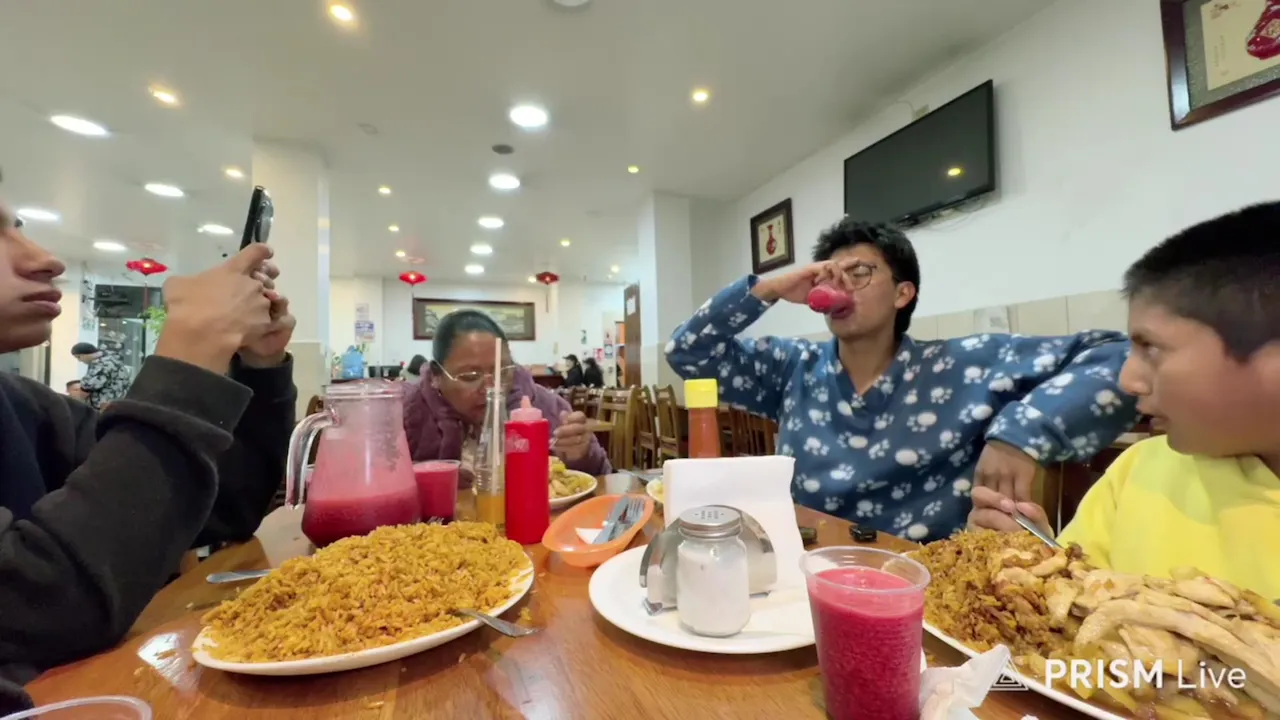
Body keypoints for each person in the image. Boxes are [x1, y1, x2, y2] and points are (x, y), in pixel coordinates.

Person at [0, 197, 297, 713]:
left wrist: (260, 366)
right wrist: (191, 352)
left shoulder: (23, 406)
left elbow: (224, 504)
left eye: (18, 227)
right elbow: (47, 605)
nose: (45, 259)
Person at [666, 218, 1136, 542]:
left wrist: (1021, 434)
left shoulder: (962, 365)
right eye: (829, 275)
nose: (839, 285)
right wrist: (770, 289)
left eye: (859, 272)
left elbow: (1120, 356)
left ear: (903, 293)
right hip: (808, 573)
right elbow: (687, 351)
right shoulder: (793, 367)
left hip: (923, 588)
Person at [969, 203, 1280, 598]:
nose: (1128, 381)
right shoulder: (1138, 469)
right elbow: (1081, 599)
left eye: (1151, 348)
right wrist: (1036, 565)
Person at [403, 311, 611, 483]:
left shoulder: (547, 408)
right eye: (470, 376)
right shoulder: (408, 416)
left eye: (502, 372)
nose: (491, 388)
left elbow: (603, 477)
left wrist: (582, 457)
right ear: (437, 376)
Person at [70, 341, 131, 410]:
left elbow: (88, 386)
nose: (79, 360)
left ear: (85, 354)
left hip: (107, 406)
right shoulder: (109, 360)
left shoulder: (104, 364)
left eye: (79, 357)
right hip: (113, 404)